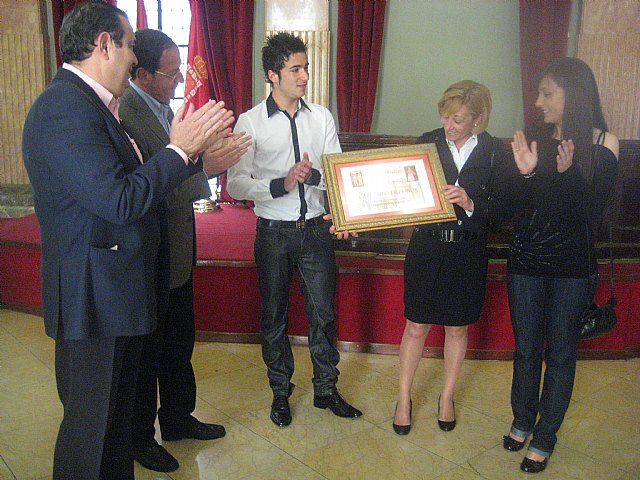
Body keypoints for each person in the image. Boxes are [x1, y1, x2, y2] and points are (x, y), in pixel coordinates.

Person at [21, 4, 231, 479]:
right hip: (94, 299)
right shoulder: (64, 107)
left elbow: (132, 186)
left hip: (114, 292)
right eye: (130, 45)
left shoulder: (93, 105)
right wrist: (179, 150)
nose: (135, 58)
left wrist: (191, 159)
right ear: (103, 45)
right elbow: (119, 200)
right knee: (92, 435)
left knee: (113, 431)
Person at [118, 29, 251, 472]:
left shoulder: (163, 109)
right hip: (150, 255)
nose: (180, 81)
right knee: (149, 353)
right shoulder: (128, 114)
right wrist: (206, 168)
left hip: (177, 250)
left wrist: (208, 153)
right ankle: (141, 438)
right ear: (142, 74)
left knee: (179, 343)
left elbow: (179, 166)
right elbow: (153, 188)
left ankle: (177, 418)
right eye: (170, 73)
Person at [226, 32, 362, 427]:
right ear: (272, 75)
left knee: (323, 315)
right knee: (274, 317)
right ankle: (280, 393)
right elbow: (235, 184)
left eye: (306, 68)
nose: (304, 77)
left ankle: (326, 390)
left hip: (315, 232)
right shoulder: (250, 122)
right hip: (273, 233)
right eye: (295, 69)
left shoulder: (321, 117)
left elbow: (337, 174)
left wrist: (312, 175)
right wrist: (280, 184)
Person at [498, 57, 619, 473]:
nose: (538, 102)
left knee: (562, 353)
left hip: (572, 267)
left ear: (574, 94)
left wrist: (567, 174)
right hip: (527, 259)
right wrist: (526, 175)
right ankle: (521, 420)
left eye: (547, 93)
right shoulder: (534, 137)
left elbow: (590, 212)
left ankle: (544, 437)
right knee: (526, 349)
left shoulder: (604, 142)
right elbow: (513, 204)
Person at [393, 81, 502, 436]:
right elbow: (401, 190)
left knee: (457, 328)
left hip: (468, 252)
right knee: (416, 326)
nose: (448, 125)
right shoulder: (426, 142)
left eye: (457, 119)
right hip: (427, 248)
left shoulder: (493, 151)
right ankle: (404, 399)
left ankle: (447, 397)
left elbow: (503, 208)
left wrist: (470, 203)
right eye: (444, 116)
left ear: (477, 119)